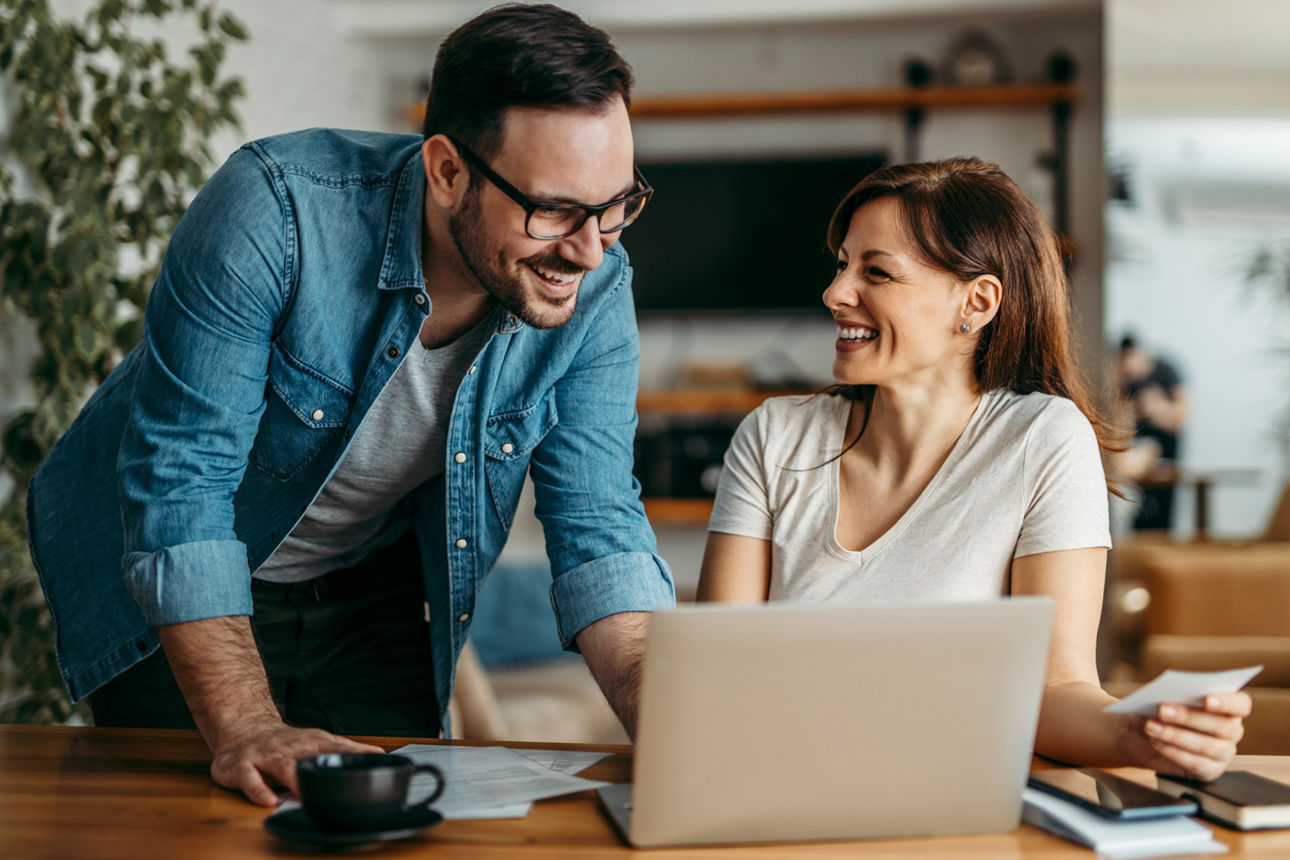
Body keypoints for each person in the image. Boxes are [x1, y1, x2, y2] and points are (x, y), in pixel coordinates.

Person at [28, 4, 673, 806]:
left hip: (368, 583)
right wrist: (246, 725)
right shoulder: (275, 212)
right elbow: (181, 487)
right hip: (177, 578)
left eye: (616, 205)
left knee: (395, 821)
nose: (590, 247)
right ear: (447, 171)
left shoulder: (598, 284)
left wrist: (671, 723)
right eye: (554, 210)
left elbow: (600, 523)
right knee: (203, 825)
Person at [696, 157, 1249, 782]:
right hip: (776, 785)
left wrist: (1137, 732)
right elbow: (721, 673)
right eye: (842, 263)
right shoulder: (774, 436)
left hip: (949, 798)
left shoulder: (1042, 439)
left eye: (876, 272)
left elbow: (1059, 686)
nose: (835, 293)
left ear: (977, 302)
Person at [1114, 335, 1188, 530]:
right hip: (1136, 451)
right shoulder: (1123, 379)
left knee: (1165, 516)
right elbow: (1120, 420)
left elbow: (1182, 415)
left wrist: (1157, 409)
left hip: (1166, 450)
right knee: (1139, 514)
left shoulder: (1165, 372)